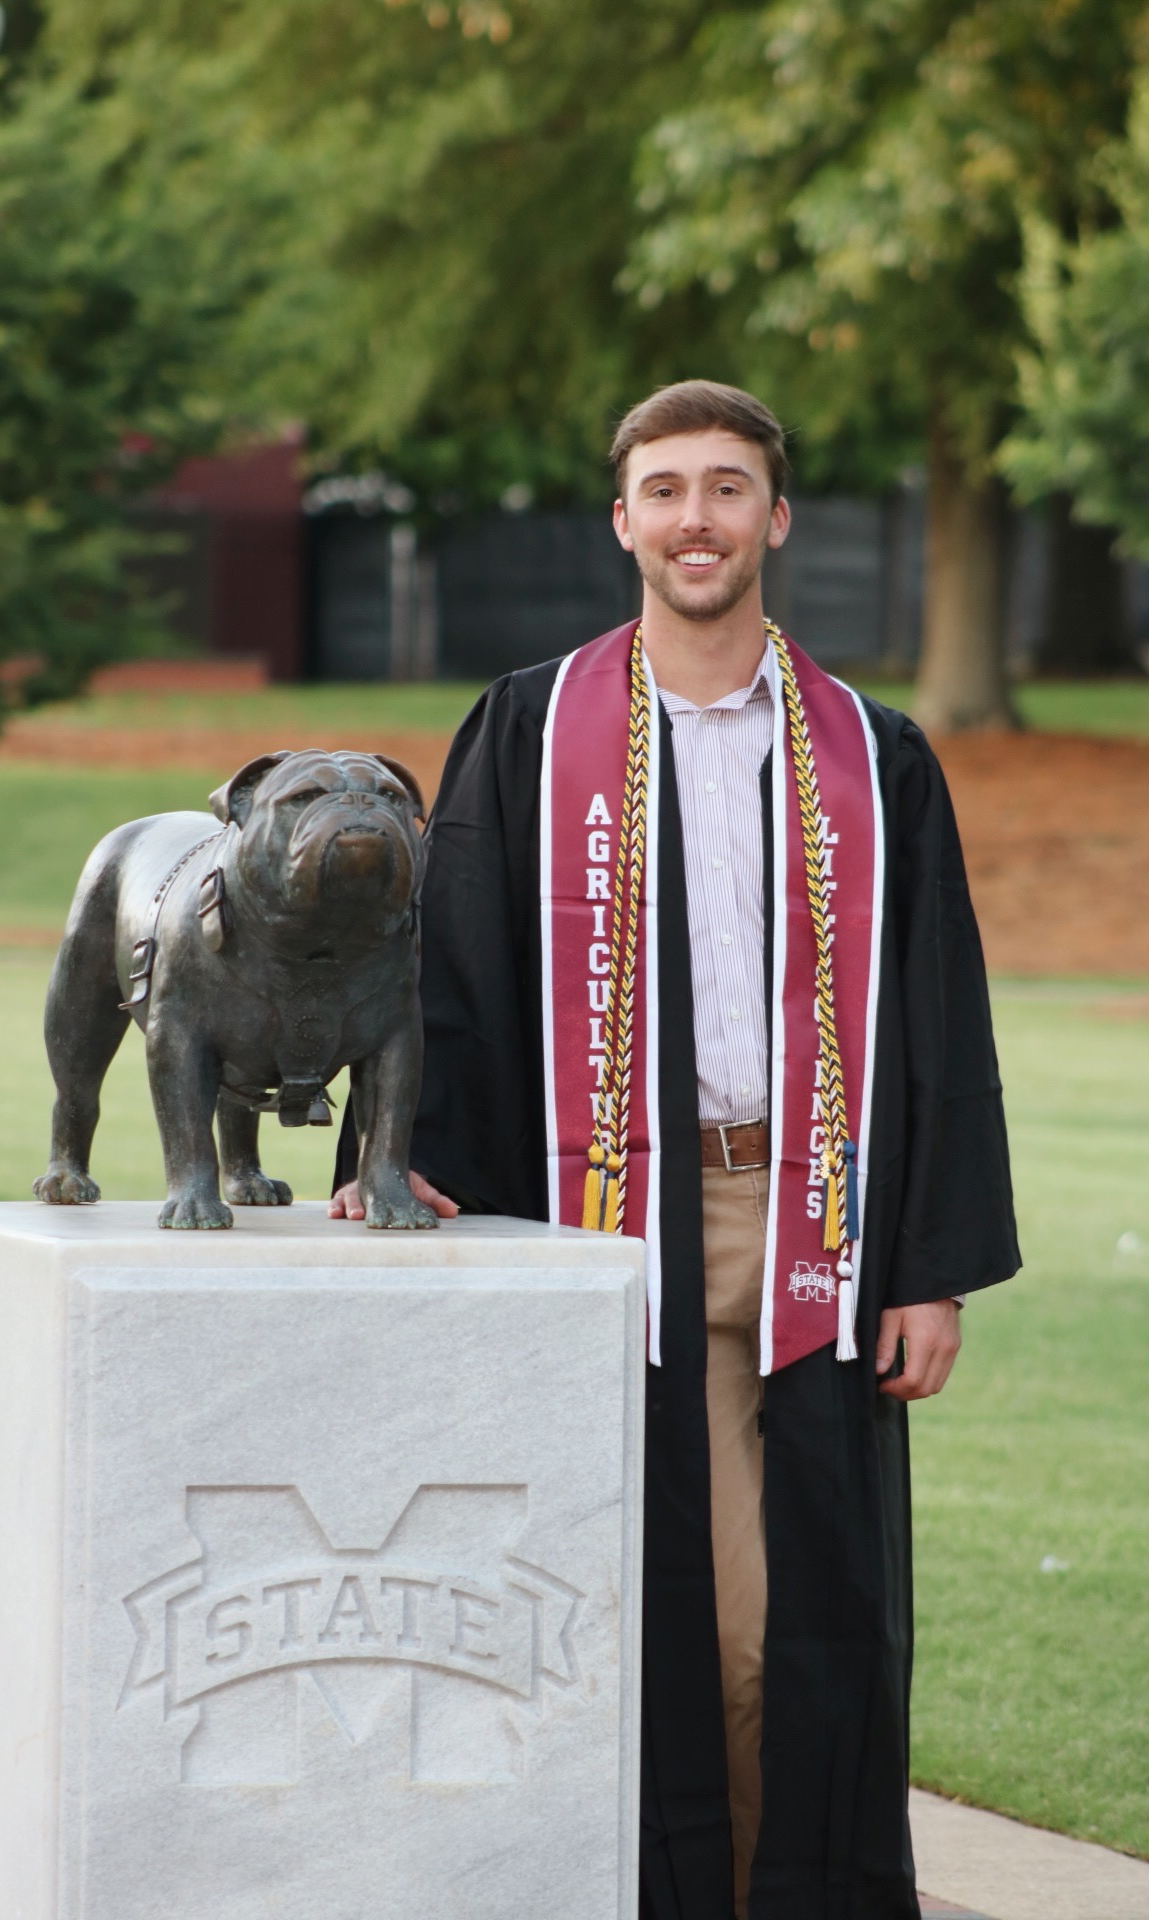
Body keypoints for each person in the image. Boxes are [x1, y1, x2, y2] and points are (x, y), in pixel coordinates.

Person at [331, 380, 1019, 1920]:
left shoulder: (876, 753)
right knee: (700, 1628)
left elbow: (940, 1015)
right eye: (664, 489)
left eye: (725, 487)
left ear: (776, 517)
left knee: (824, 1621)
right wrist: (405, 1153)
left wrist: (931, 1269)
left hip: (822, 1222)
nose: (693, 517)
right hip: (617, 1226)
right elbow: (455, 970)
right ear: (625, 519)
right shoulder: (532, 728)